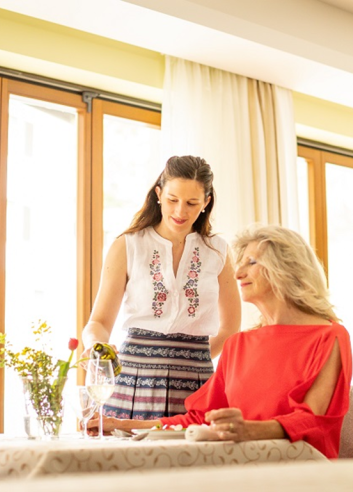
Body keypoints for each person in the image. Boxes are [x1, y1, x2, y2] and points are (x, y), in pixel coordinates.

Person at [90, 224, 353, 459]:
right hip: (238, 465)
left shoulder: (330, 336)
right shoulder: (238, 344)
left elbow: (313, 420)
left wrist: (249, 431)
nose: (237, 273)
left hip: (299, 469)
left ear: (286, 268)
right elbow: (197, 418)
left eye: (251, 262)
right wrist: (121, 424)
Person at [82, 155, 241, 420]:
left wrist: (194, 357)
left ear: (206, 202)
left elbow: (230, 327)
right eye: (172, 200)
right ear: (159, 194)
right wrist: (97, 345)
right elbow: (97, 322)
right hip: (132, 378)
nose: (180, 212)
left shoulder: (219, 251)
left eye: (191, 203)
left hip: (197, 382)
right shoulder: (127, 245)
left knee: (194, 459)